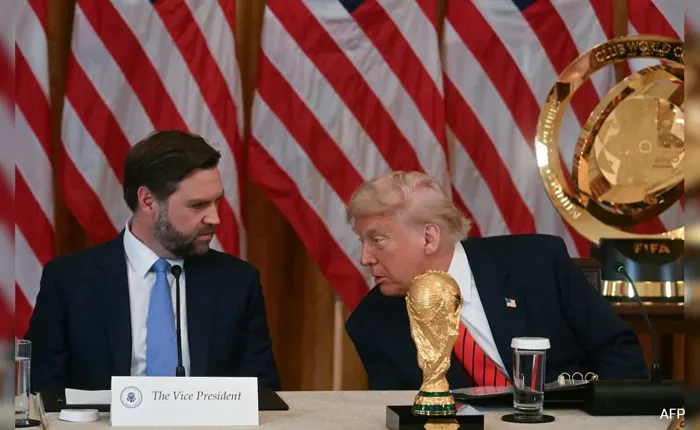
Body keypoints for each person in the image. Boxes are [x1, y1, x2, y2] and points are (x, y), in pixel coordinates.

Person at [344, 171, 649, 390]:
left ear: (429, 238)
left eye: (377, 240)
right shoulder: (372, 323)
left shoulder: (538, 263)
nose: (365, 258)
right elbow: (403, 413)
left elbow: (618, 355)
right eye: (362, 241)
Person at [26, 130, 281, 392]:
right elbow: (42, 393)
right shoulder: (70, 282)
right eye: (197, 206)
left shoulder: (237, 282)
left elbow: (263, 394)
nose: (214, 218)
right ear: (148, 201)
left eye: (216, 202)